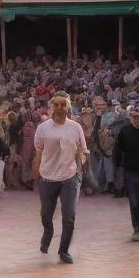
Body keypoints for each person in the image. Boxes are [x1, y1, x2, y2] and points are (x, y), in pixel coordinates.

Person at [33, 92, 89, 264]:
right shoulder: (43, 128)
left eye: (62, 104)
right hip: (47, 178)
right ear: (50, 108)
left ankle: (63, 251)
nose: (59, 108)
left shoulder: (75, 127)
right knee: (46, 215)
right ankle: (47, 232)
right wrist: (36, 177)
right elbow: (38, 154)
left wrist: (82, 168)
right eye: (55, 105)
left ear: (68, 107)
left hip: (69, 178)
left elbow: (82, 151)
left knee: (69, 216)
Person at [113, 104, 139, 242]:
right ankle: (136, 227)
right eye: (138, 116)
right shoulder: (125, 131)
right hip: (131, 172)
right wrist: (116, 166)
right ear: (132, 117)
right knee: (135, 201)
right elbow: (117, 149)